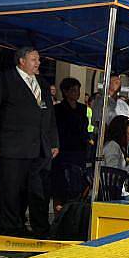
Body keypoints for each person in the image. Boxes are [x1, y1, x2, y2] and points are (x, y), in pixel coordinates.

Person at [0, 47, 59, 238]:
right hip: (13, 146)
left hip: (39, 147)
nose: (38, 63)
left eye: (38, 59)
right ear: (21, 61)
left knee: (36, 190)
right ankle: (9, 227)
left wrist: (53, 141)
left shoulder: (41, 82)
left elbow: (49, 116)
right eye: (34, 59)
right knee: (12, 189)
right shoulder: (3, 80)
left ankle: (37, 227)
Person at [51, 77, 90, 212]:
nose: (76, 93)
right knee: (61, 187)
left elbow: (84, 127)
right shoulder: (58, 109)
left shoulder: (82, 108)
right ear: (65, 92)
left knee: (77, 186)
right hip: (64, 152)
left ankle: (73, 213)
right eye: (73, 90)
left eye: (78, 90)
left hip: (79, 151)